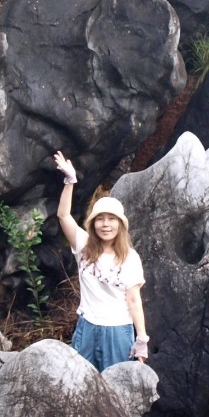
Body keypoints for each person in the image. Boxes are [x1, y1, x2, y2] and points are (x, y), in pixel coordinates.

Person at [52, 152, 149, 369]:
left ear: (120, 225)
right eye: (101, 219)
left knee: (114, 387)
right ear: (93, 224)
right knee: (79, 383)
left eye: (112, 219)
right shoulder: (83, 246)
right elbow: (63, 216)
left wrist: (141, 339)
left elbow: (134, 300)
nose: (106, 225)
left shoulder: (130, 257)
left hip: (117, 330)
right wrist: (70, 181)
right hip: (87, 326)